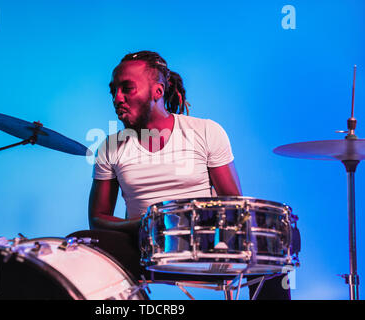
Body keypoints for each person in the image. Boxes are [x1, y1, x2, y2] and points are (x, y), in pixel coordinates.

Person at [68, 50, 289, 300]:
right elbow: (98, 218)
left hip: (207, 246)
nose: (117, 98)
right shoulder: (110, 147)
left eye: (127, 88)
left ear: (158, 92)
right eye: (114, 91)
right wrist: (151, 223)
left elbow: (233, 207)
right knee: (82, 242)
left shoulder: (206, 131)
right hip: (144, 247)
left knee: (274, 244)